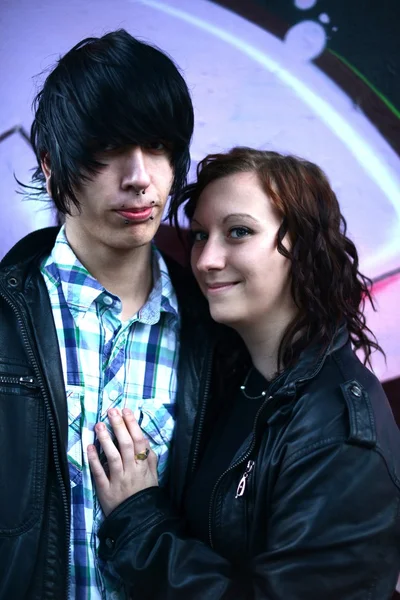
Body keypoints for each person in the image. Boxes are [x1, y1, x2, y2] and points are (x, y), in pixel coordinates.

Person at [88, 147, 400, 599]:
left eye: (238, 232)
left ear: (303, 247)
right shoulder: (238, 384)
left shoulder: (339, 432)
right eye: (199, 235)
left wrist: (139, 521)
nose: (206, 259)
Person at [0, 28, 206, 600]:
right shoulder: (6, 318)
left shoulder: (215, 332)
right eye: (109, 149)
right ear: (50, 166)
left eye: (159, 146)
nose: (139, 176)